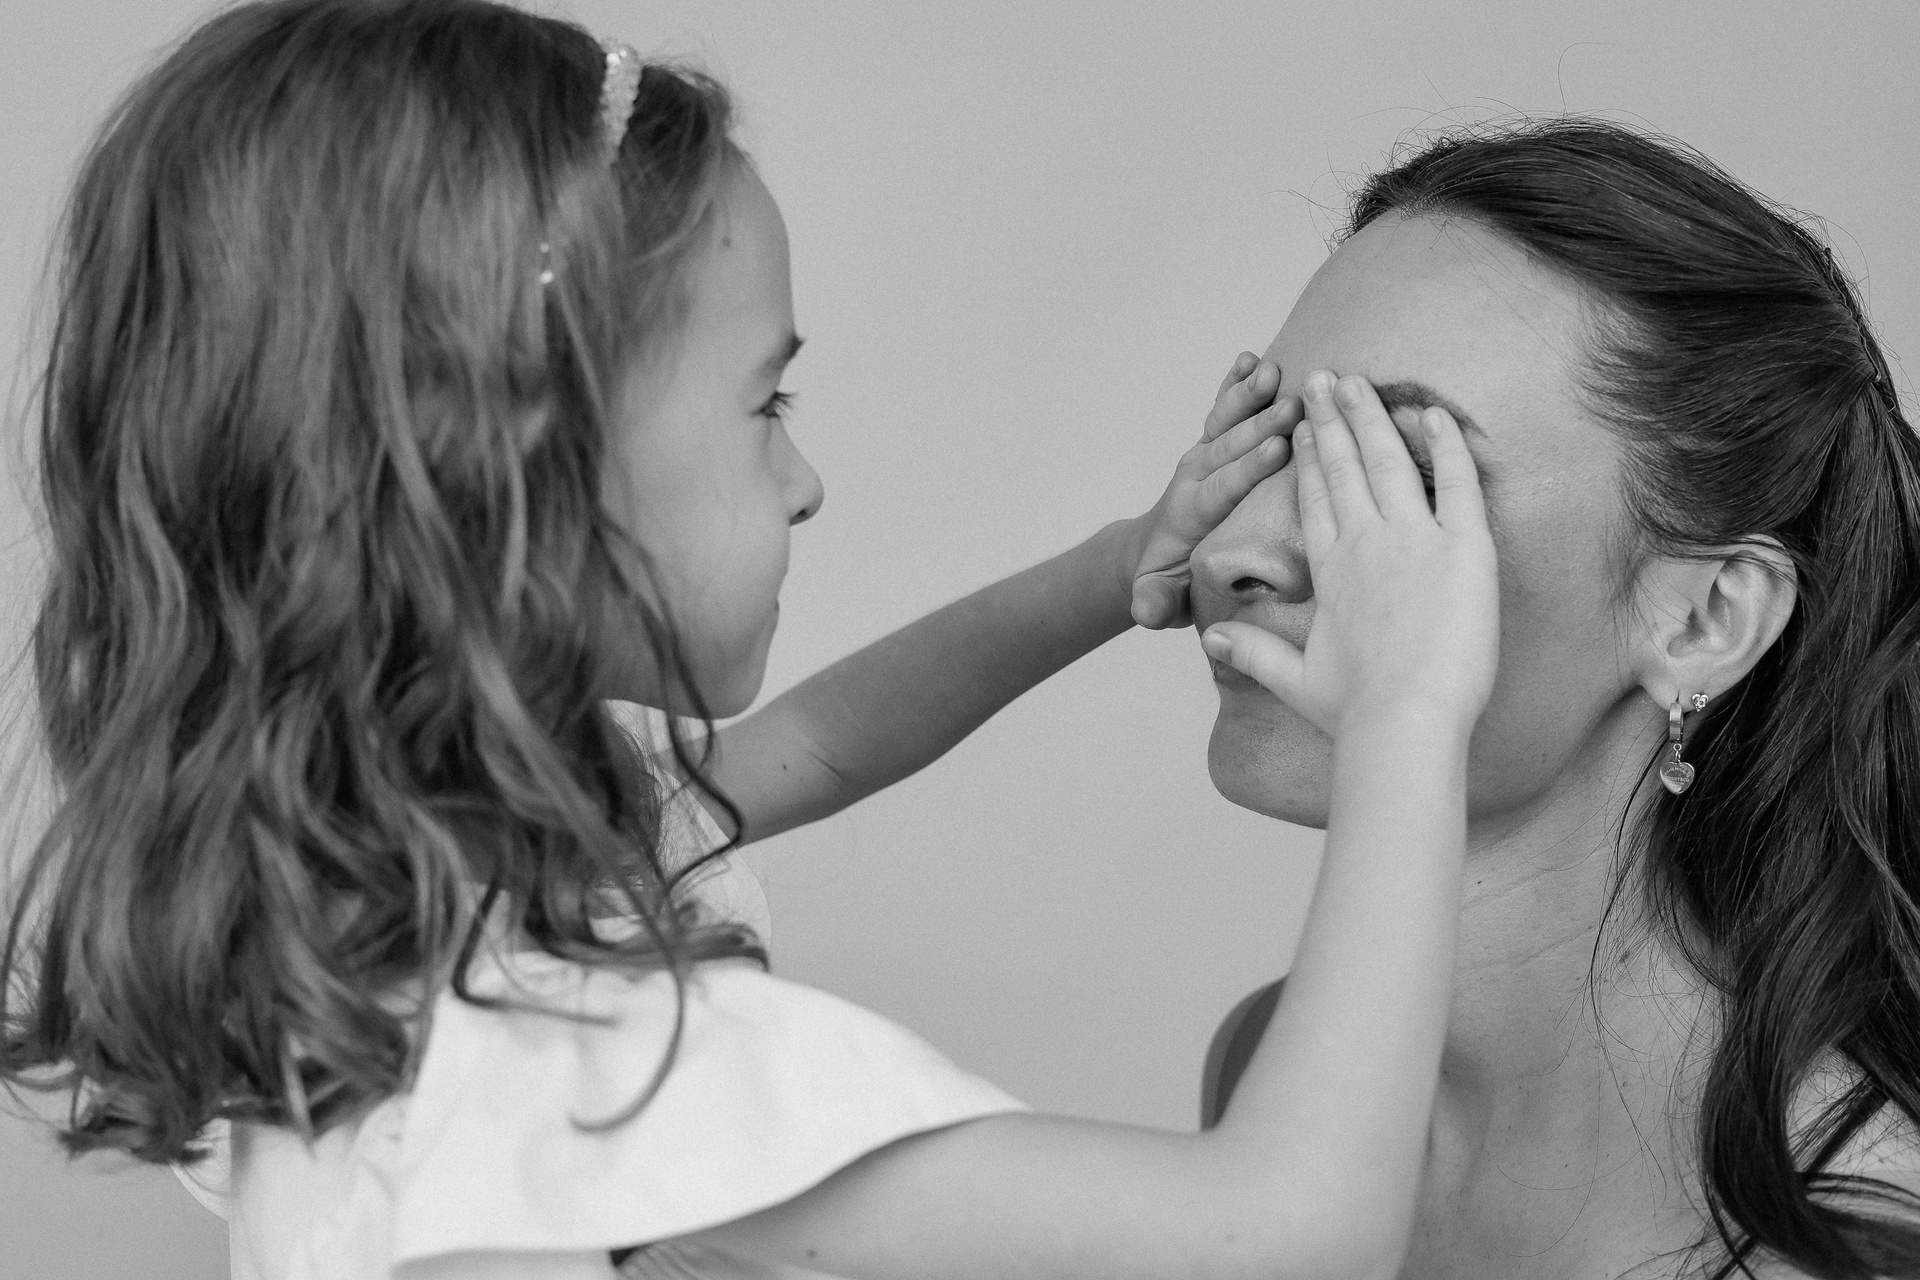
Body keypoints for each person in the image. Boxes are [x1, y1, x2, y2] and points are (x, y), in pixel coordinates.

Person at [0, 2, 1499, 1278]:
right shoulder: (580, 1072)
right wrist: (1407, 714)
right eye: (763, 403)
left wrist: (1120, 569)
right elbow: (1290, 1232)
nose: (806, 478)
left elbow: (821, 742)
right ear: (524, 470)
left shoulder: (396, 926)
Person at [1193, 119, 1920, 1279]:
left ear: (1705, 619)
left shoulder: (1850, 1242)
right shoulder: (1271, 1077)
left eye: (1396, 474)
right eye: (1266, 447)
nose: (1231, 547)